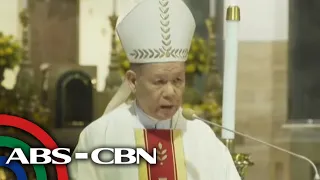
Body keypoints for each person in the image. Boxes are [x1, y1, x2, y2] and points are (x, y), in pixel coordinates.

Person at [68, 0, 241, 179]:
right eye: (159, 81)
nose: (170, 92)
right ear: (133, 81)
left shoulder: (202, 137)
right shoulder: (101, 136)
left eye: (178, 80)